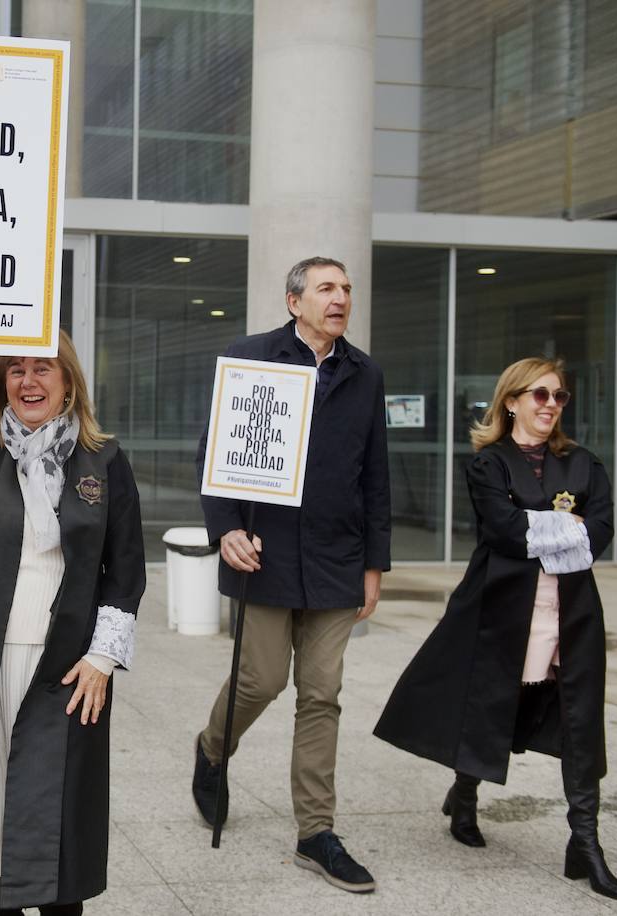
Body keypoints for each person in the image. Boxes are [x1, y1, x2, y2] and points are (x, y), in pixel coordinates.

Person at [374, 357, 617, 901]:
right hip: (501, 604)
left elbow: (601, 533)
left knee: (579, 718)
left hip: (572, 609)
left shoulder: (584, 462)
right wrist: (568, 525)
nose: (550, 406)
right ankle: (464, 795)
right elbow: (505, 531)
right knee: (494, 701)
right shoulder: (490, 464)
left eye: (559, 397)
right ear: (510, 401)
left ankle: (585, 842)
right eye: (539, 395)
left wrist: (542, 525)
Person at [0, 332, 147, 915]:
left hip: (68, 664)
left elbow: (125, 571)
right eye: (15, 369)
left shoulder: (105, 459)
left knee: (57, 814)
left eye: (43, 368)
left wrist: (102, 659)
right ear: (2, 385)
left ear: (68, 379)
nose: (28, 381)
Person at [190, 256, 391, 894]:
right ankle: (212, 749)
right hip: (265, 555)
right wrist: (225, 530)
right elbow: (214, 453)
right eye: (328, 288)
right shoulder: (250, 358)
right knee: (261, 679)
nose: (341, 298)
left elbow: (376, 476)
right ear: (294, 300)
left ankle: (316, 832)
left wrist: (374, 564)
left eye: (347, 289)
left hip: (337, 559)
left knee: (321, 694)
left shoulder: (365, 375)